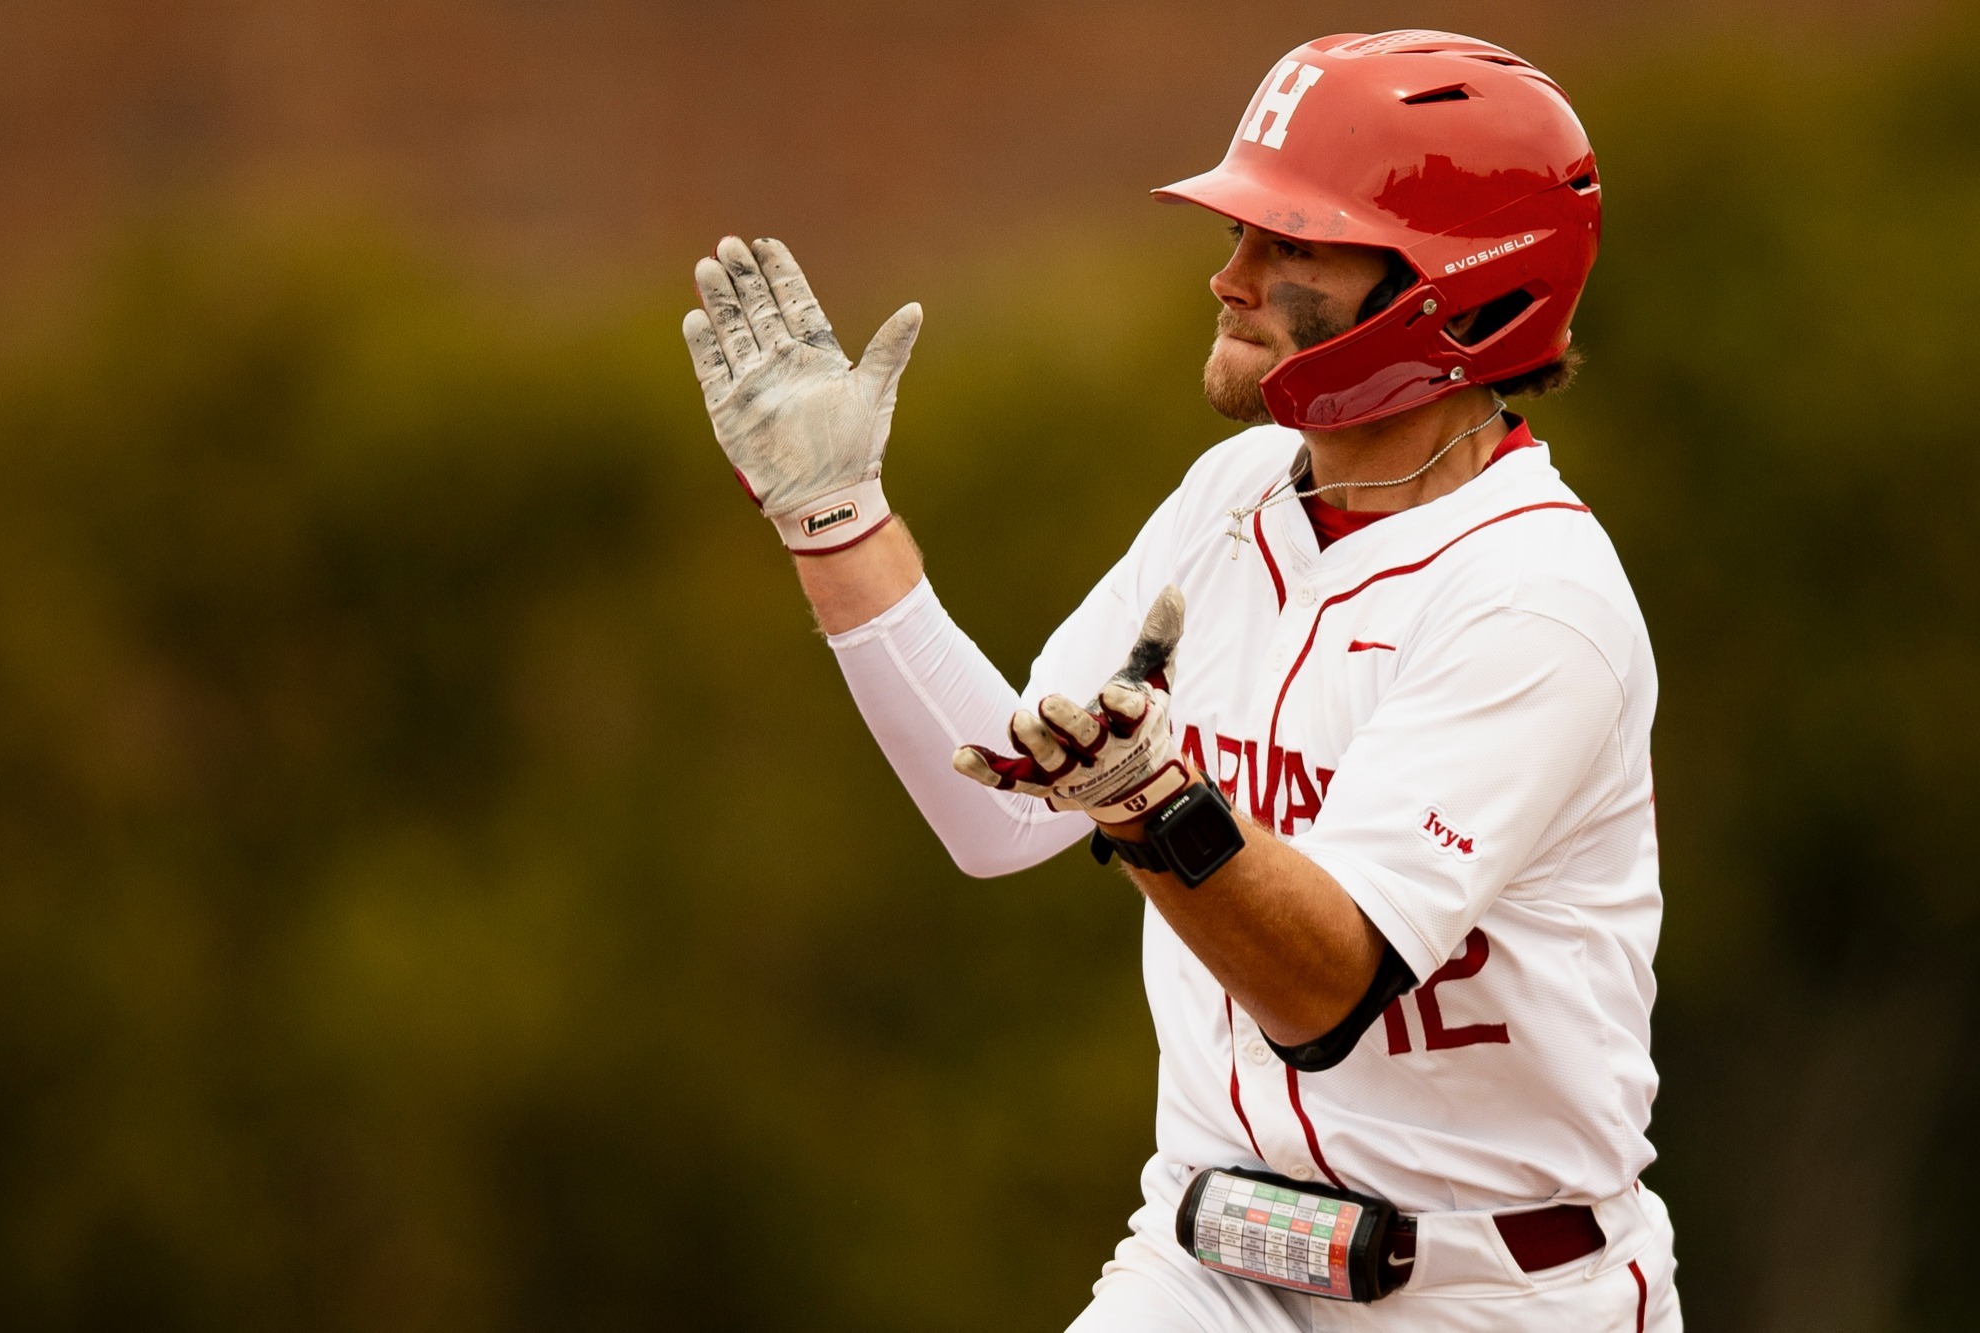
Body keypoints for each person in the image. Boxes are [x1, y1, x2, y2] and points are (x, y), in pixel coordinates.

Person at [681, 29, 1680, 1332]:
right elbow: (999, 810)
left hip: (1492, 1292)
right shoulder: (1234, 497)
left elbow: (1322, 990)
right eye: (1242, 231)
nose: (1230, 276)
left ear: (1454, 293)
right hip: (1212, 1262)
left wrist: (1155, 807)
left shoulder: (1534, 596)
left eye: (1292, 242)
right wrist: (837, 524)